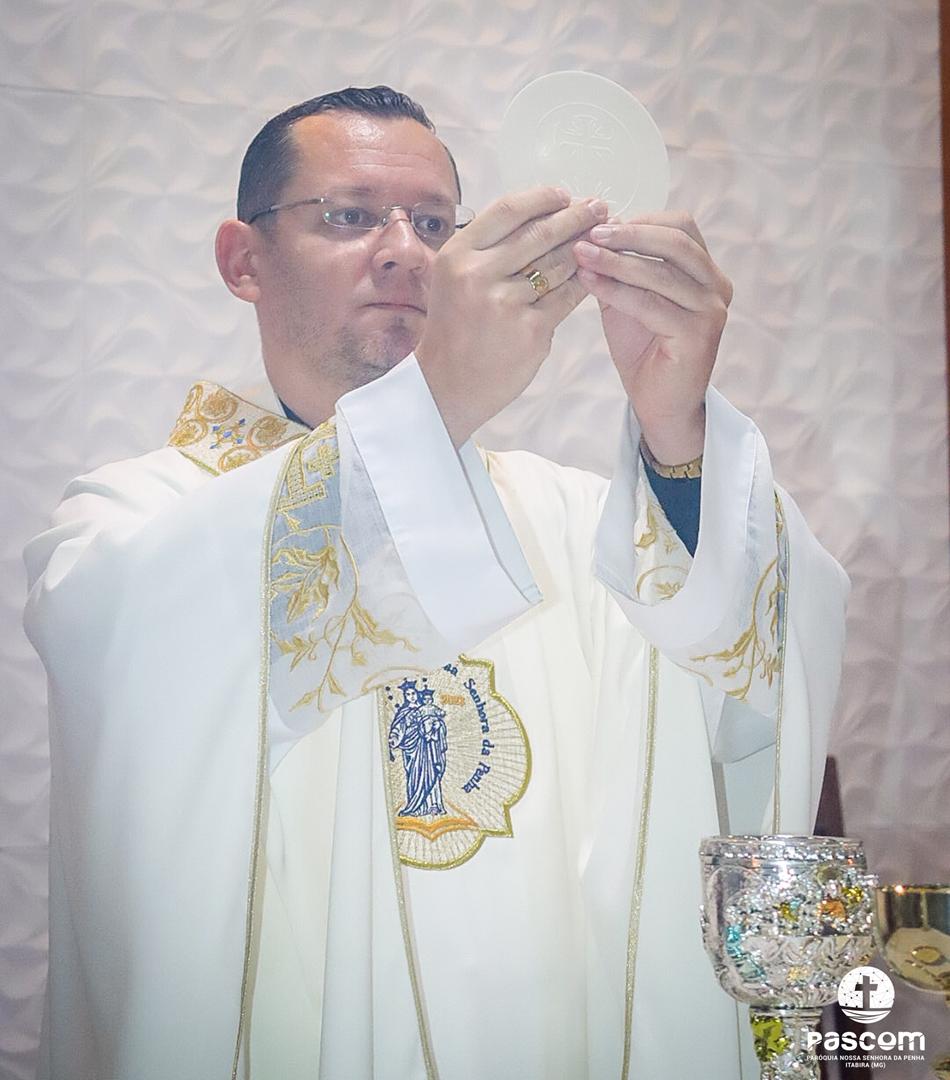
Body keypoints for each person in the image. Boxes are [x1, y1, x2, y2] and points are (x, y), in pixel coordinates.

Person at [23, 86, 849, 1080]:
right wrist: (438, 395)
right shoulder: (129, 518)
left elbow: (746, 688)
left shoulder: (564, 519)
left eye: (431, 223)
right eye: (348, 215)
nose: (403, 252)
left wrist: (678, 436)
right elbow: (137, 667)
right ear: (243, 260)